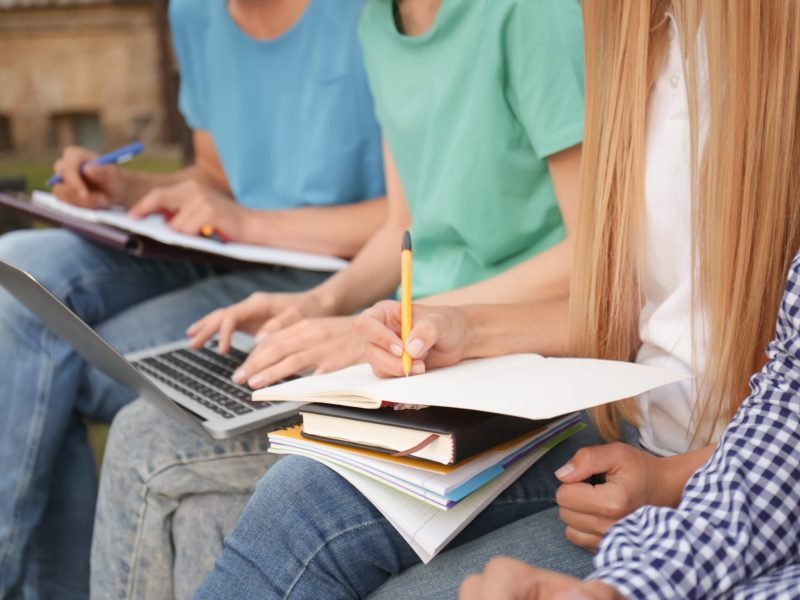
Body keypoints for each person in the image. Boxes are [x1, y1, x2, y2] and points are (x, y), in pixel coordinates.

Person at [192, 0, 800, 598]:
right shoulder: (638, 33)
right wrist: (451, 325)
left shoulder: (556, 21)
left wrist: (673, 477)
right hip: (627, 421)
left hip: (665, 447)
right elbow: (631, 301)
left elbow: (771, 410)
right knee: (296, 498)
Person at [91, 0, 586, 597]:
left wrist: (389, 324)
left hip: (516, 366)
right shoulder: (377, 25)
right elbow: (404, 227)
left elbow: (592, 258)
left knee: (148, 445)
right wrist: (320, 304)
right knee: (171, 456)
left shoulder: (533, 14)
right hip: (411, 352)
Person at [0, 0, 386, 598]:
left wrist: (252, 223)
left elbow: (412, 222)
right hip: (226, 248)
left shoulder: (370, 14)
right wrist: (125, 188)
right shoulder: (196, 12)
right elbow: (215, 177)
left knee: (59, 364)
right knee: (21, 264)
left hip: (336, 272)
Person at [460, 251, 800, 599]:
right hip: (668, 453)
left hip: (689, 462)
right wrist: (621, 592)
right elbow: (790, 406)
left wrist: (676, 477)